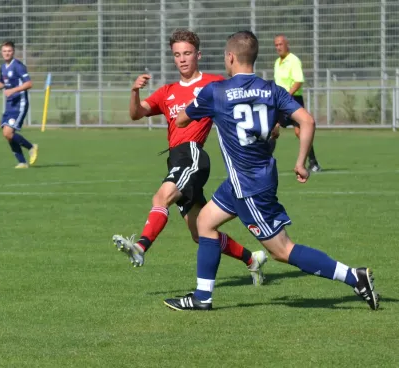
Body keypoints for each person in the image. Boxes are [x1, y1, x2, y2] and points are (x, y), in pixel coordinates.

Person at [165, 30, 379, 311]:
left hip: (249, 187)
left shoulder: (215, 92)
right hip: (248, 179)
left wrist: (196, 107)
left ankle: (354, 276)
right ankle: (202, 296)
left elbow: (181, 121)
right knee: (205, 223)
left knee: (282, 251)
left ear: (230, 57)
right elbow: (307, 120)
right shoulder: (272, 90)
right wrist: (301, 161)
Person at [112, 29, 267, 285]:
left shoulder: (213, 83)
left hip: (193, 153)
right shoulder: (167, 91)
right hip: (176, 158)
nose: (182, 59)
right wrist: (134, 91)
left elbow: (245, 96)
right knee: (200, 232)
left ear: (198, 55)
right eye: (177, 55)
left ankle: (140, 246)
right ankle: (252, 259)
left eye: (187, 53)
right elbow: (136, 114)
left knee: (161, 196)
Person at [269, 34, 321, 172]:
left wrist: (286, 96)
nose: (278, 47)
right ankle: (264, 162)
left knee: (300, 132)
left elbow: (298, 81)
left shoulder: (293, 61)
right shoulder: (277, 62)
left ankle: (313, 163)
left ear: (287, 44)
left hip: (292, 100)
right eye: (276, 45)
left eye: (280, 44)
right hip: (279, 102)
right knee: (272, 130)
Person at [0, 41, 38, 169]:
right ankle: (22, 162)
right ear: (1, 52)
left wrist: (13, 90)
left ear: (13, 52)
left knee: (8, 133)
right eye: (4, 51)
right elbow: (2, 84)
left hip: (20, 103)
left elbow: (29, 84)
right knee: (7, 135)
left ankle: (31, 147)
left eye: (9, 51)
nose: (6, 53)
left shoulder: (18, 66)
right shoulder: (3, 67)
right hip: (10, 104)